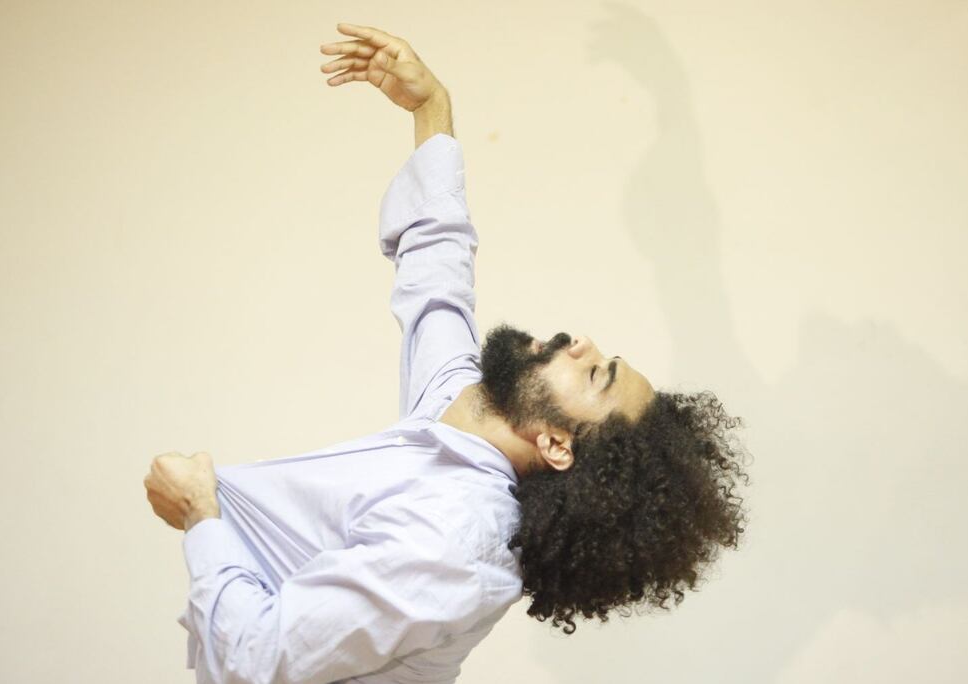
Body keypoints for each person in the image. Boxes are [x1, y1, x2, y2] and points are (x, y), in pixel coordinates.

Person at [143, 21, 749, 684]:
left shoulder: (456, 541)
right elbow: (437, 278)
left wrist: (200, 513)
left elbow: (253, 661)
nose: (581, 343)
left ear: (556, 445)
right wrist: (431, 107)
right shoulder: (460, 421)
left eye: (596, 374)